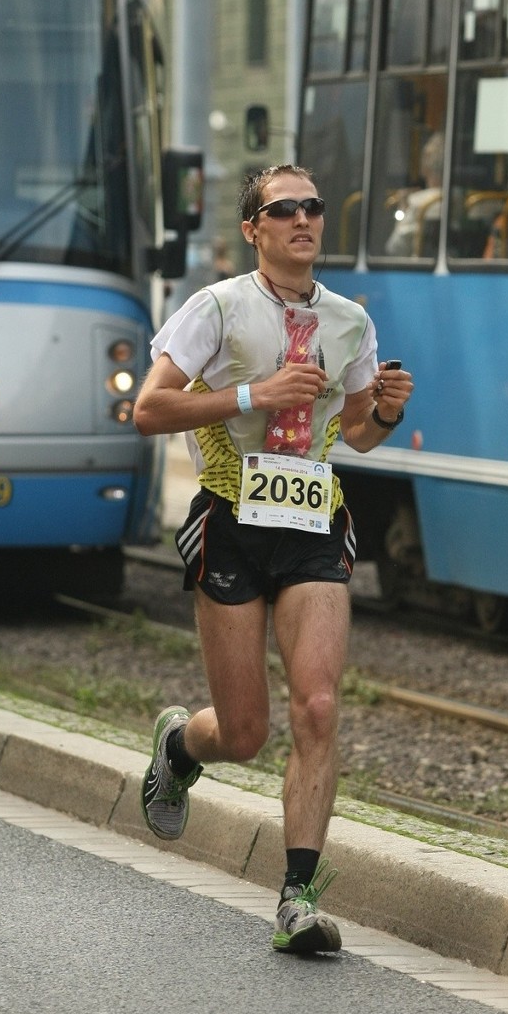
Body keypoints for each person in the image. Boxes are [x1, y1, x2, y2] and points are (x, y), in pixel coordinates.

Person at [133, 163, 413, 955]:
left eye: (313, 206)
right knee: (247, 731)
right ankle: (182, 744)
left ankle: (298, 899)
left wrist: (387, 412)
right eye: (283, 208)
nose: (303, 219)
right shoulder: (216, 308)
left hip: (315, 523)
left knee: (318, 708)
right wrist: (256, 395)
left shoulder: (351, 321)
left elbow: (355, 429)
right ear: (254, 229)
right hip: (230, 520)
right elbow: (148, 409)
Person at [385, 129, 444, 256]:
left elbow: (395, 248)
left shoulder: (419, 202)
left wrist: (403, 208)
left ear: (425, 166)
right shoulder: (467, 199)